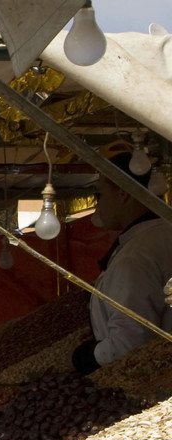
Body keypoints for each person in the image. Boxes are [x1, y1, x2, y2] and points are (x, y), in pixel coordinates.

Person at [73, 151, 172, 373]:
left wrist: (91, 355)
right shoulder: (160, 237)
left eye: (100, 195)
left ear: (123, 193)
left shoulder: (136, 256)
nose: (98, 205)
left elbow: (129, 344)